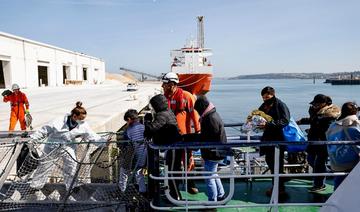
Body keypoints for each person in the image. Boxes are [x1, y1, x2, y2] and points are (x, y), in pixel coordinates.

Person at [29, 102, 107, 195]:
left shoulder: (83, 125)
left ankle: (72, 186)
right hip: (52, 146)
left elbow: (91, 136)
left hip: (68, 146)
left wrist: (103, 143)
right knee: (45, 165)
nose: (82, 121)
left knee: (71, 165)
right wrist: (33, 139)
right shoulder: (57, 121)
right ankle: (36, 186)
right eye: (81, 118)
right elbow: (44, 131)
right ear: (74, 116)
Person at [161, 72, 201, 194]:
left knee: (188, 161)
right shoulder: (165, 98)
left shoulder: (187, 96)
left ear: (172, 84)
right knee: (174, 164)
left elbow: (195, 115)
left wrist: (198, 132)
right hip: (171, 137)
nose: (162, 86)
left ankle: (191, 185)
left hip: (186, 136)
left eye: (165, 84)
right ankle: (175, 188)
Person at [297, 94, 340, 192]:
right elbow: (314, 121)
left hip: (323, 141)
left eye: (317, 104)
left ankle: (319, 184)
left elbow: (327, 128)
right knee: (310, 159)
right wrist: (302, 121)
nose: (314, 106)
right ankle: (325, 173)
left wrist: (314, 127)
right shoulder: (317, 112)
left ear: (324, 104)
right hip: (313, 140)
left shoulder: (330, 114)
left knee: (319, 162)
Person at [144, 94, 182, 200]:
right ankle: (172, 194)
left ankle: (176, 197)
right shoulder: (168, 111)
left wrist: (147, 121)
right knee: (172, 170)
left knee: (172, 172)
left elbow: (152, 128)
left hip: (173, 146)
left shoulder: (162, 115)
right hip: (174, 146)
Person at [257, 86, 290, 197]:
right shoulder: (264, 106)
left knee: (277, 164)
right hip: (268, 139)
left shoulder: (280, 105)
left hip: (277, 139)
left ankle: (279, 188)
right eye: (263, 97)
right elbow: (258, 116)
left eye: (267, 96)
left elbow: (285, 120)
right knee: (271, 162)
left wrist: (268, 124)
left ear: (273, 94)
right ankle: (277, 186)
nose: (265, 99)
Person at [194, 95, 227, 202]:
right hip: (217, 152)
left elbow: (208, 137)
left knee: (209, 177)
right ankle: (221, 195)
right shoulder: (212, 114)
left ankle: (212, 201)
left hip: (213, 152)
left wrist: (195, 140)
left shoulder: (210, 118)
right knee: (213, 174)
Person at [326, 102, 360, 190]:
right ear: (356, 112)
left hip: (337, 161)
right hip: (354, 161)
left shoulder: (333, 125)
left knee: (339, 184)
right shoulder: (356, 123)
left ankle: (336, 201)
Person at [118, 109, 147, 195]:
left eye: (126, 121)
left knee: (124, 172)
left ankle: (122, 191)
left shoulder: (128, 130)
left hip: (133, 154)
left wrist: (123, 156)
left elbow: (125, 146)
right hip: (144, 155)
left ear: (129, 119)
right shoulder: (144, 127)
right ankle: (143, 191)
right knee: (139, 173)